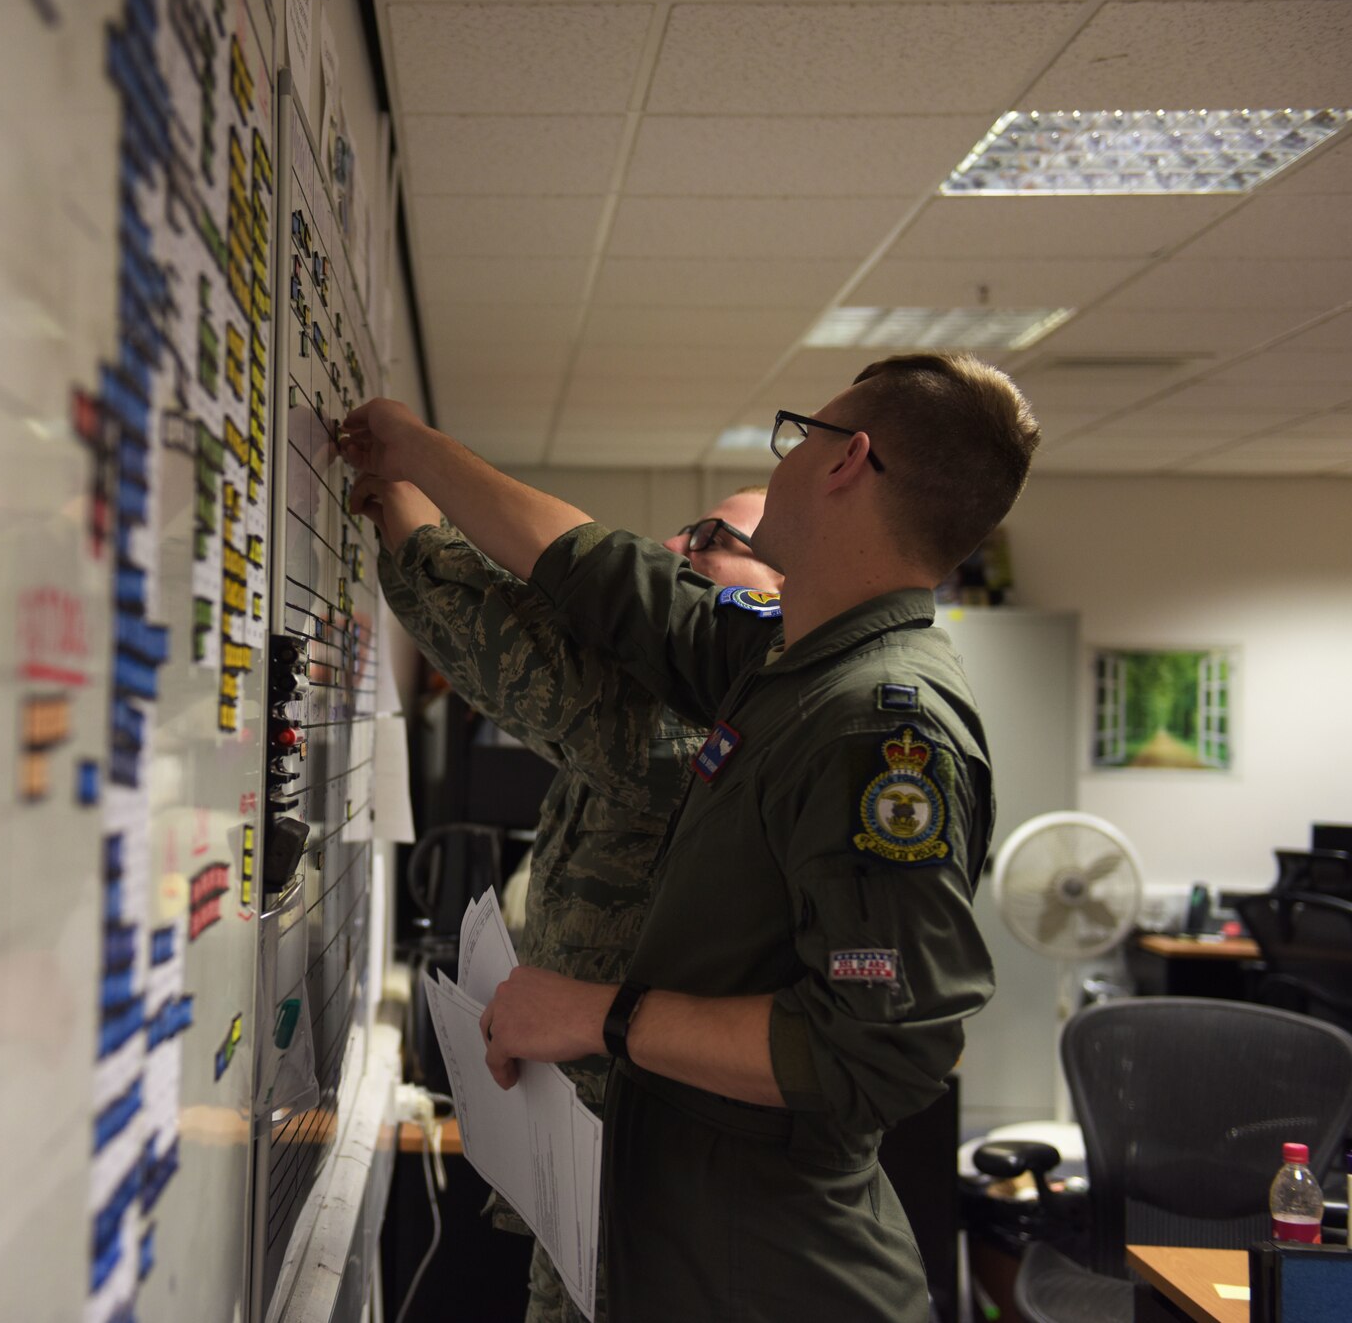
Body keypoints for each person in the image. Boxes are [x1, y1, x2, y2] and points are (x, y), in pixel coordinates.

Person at [339, 353, 1038, 1321]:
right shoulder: (782, 660)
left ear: (847, 461)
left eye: (800, 435)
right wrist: (416, 452)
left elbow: (877, 1049)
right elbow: (596, 570)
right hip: (664, 1230)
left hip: (758, 1272)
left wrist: (601, 1014)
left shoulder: (879, 724)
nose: (785, 456)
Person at [358, 478, 779, 1323]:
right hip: (589, 1175)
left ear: (787, 594)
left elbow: (520, 656)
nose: (674, 548)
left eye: (713, 538)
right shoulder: (680, 710)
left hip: (659, 1207)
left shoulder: (722, 729)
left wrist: (402, 489)